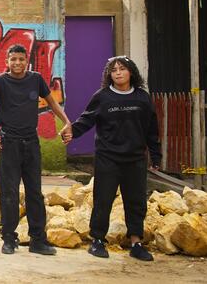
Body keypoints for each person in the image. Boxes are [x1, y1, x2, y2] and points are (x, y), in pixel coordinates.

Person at [65, 55, 160, 261]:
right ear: (109, 75)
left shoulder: (142, 98)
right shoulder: (103, 96)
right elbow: (86, 119)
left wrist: (156, 155)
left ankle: (136, 242)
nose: (118, 73)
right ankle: (97, 240)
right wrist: (72, 131)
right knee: (103, 199)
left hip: (135, 158)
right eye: (113, 70)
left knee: (136, 202)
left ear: (131, 72)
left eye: (122, 69)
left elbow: (152, 129)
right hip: (108, 158)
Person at [0, 44, 71, 256]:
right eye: (13, 59)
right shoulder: (1, 81)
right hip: (9, 143)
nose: (17, 63)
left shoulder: (36, 79)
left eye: (21, 59)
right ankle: (9, 239)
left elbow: (52, 103)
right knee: (9, 193)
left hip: (31, 143)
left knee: (35, 193)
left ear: (27, 61)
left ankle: (38, 240)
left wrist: (67, 122)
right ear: (7, 61)